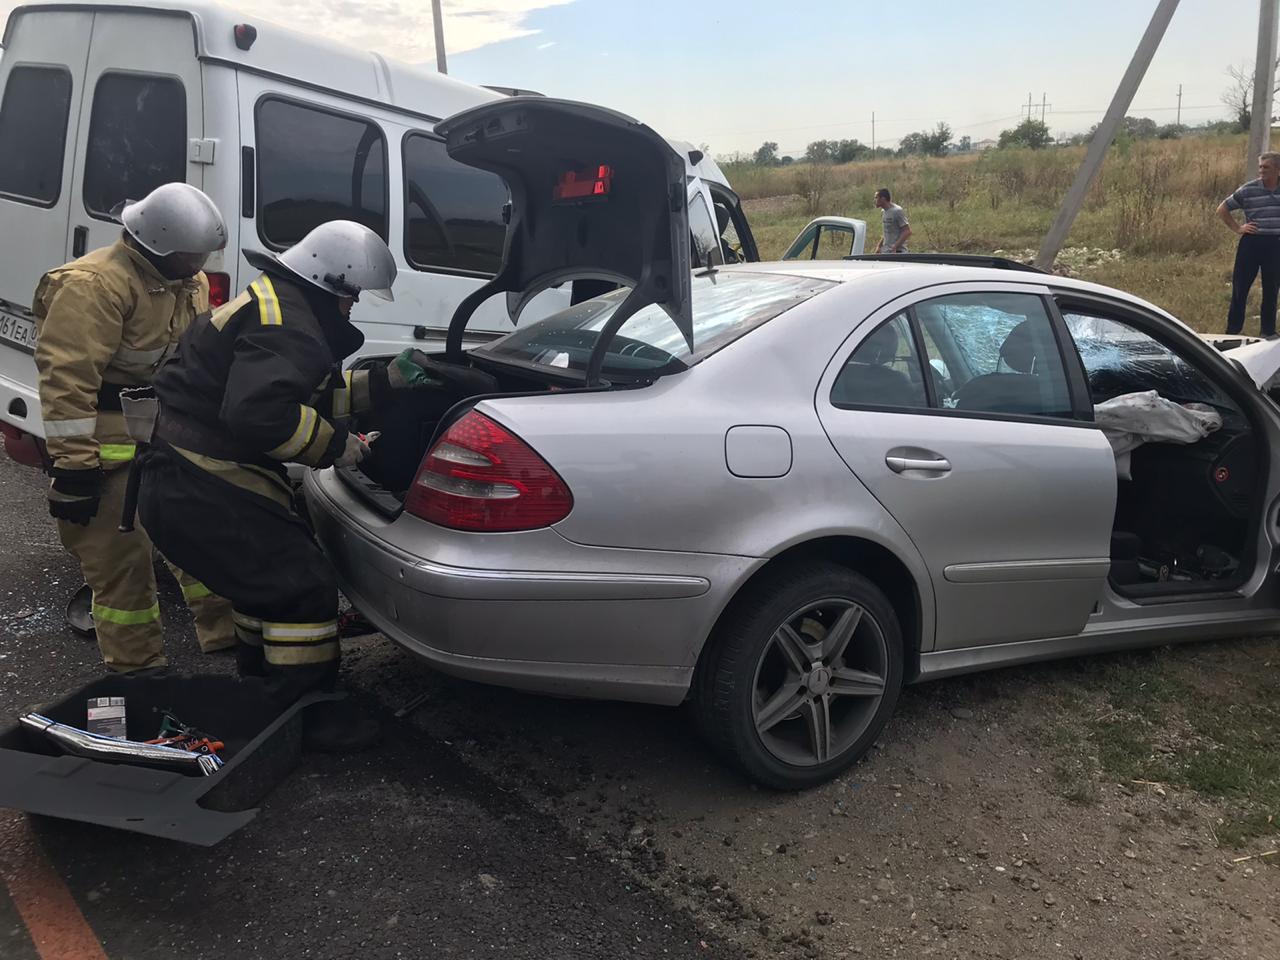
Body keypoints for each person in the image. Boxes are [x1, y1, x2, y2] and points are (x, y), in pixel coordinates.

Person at [136, 220, 439, 751]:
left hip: (184, 476)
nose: (354, 308)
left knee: (265, 588)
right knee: (302, 589)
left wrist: (386, 381)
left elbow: (305, 394)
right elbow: (260, 415)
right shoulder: (291, 326)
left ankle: (265, 694)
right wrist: (335, 446)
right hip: (202, 480)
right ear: (334, 285)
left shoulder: (276, 303)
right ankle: (313, 716)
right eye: (354, 297)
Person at [33, 182, 236, 673]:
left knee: (197, 534)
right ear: (156, 245)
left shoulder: (184, 281)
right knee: (121, 562)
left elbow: (192, 359)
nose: (199, 266)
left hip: (160, 429)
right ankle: (139, 672)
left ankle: (229, 638)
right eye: (191, 256)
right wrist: (75, 469)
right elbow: (67, 381)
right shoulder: (94, 286)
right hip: (101, 447)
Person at [1219, 152, 1280, 337]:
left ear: (1278, 170)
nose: (1261, 170)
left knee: (1271, 289)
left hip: (1275, 245)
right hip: (1252, 244)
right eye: (1260, 166)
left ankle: (1268, 332)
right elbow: (1222, 208)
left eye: (1266, 167)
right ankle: (1233, 331)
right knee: (1240, 288)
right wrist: (1238, 228)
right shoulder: (1248, 190)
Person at [873, 188, 912, 254]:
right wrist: (879, 246)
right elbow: (887, 231)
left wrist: (895, 246)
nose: (874, 200)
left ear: (883, 199)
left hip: (897, 252)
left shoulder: (897, 211)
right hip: (886, 251)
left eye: (876, 198)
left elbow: (907, 231)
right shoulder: (884, 211)